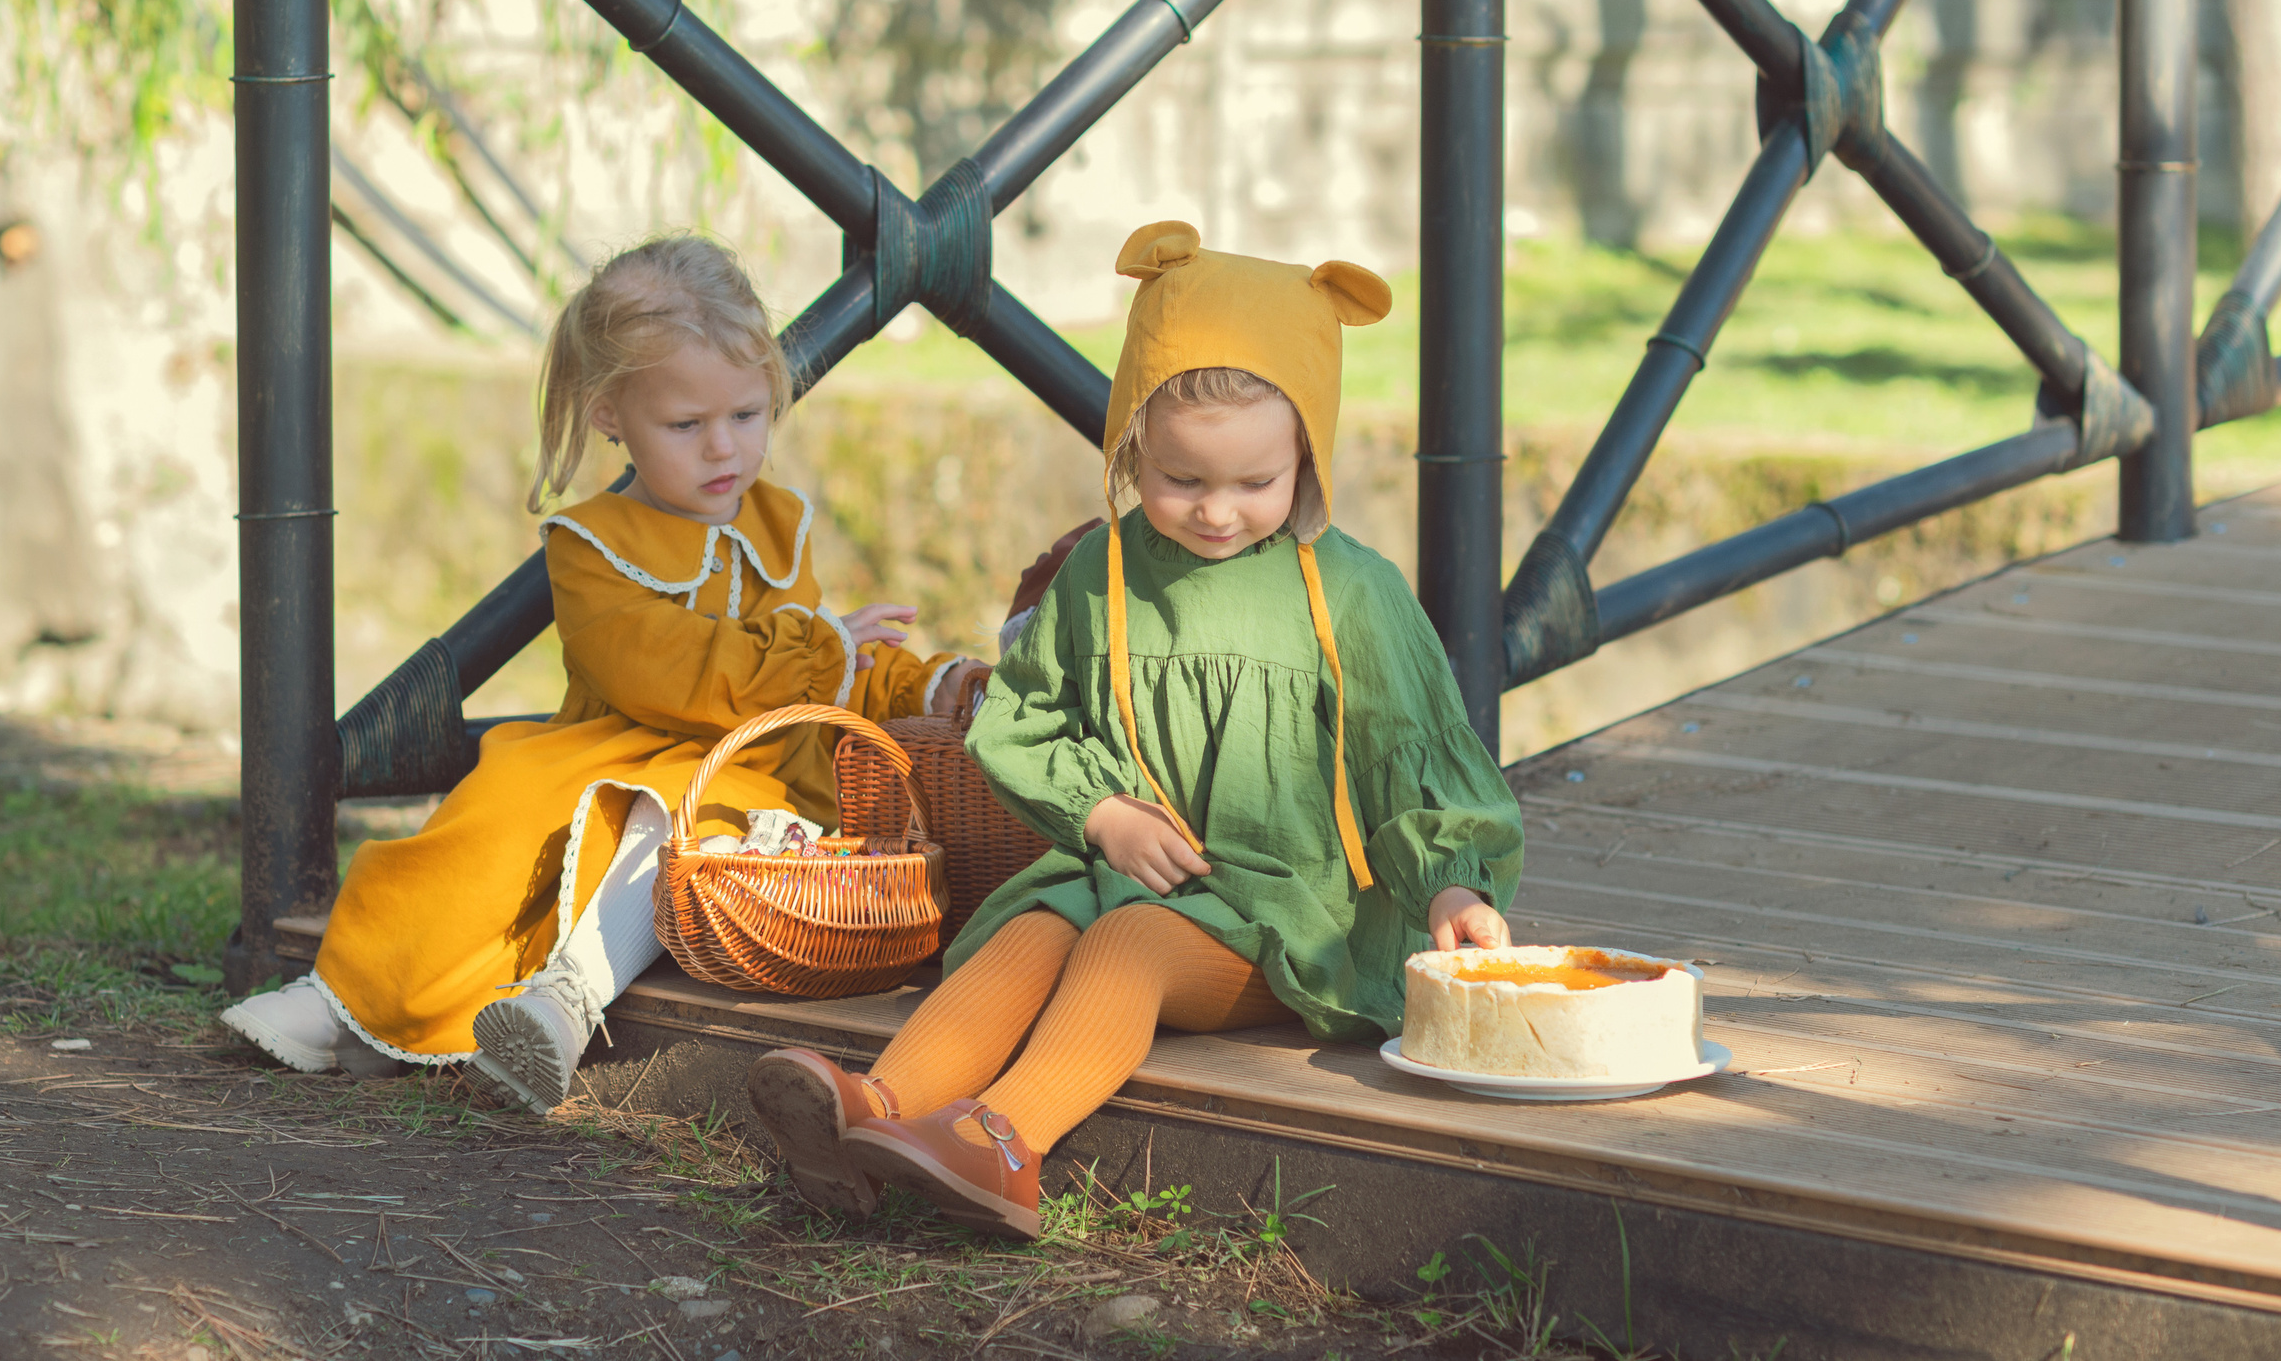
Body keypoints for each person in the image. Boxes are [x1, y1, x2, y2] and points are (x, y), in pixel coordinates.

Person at [744, 221, 1524, 1239]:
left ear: (1308, 452)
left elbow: (1417, 759)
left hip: (1288, 913)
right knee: (1035, 925)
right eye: (1180, 479)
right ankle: (874, 1111)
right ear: (1130, 446)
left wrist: (1451, 881)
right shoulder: (1100, 575)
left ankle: (1004, 1141)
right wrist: (1099, 812)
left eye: (1255, 482)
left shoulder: (1353, 593)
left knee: (1126, 940)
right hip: (1115, 869)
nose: (1214, 512)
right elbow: (1018, 720)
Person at [221, 236, 986, 1108]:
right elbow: (667, 671)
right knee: (488, 828)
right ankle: (341, 997)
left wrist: (920, 683)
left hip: (744, 771)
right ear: (610, 415)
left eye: (747, 414)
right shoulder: (590, 546)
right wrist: (824, 648)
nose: (723, 449)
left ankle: (563, 1007)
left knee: (677, 830)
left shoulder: (781, 525)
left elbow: (824, 664)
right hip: (603, 747)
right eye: (685, 426)